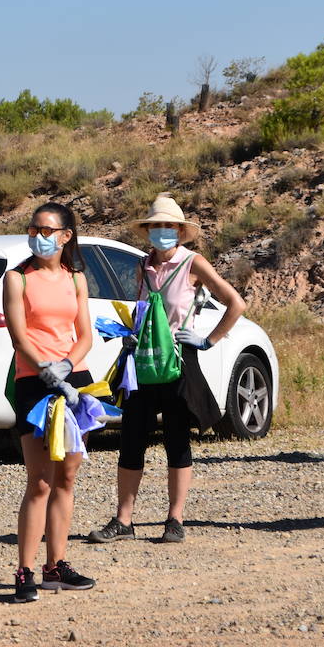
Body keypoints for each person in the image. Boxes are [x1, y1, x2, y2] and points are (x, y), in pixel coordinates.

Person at [88, 193, 245, 545]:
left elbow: (236, 303)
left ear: (179, 230)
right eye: (156, 226)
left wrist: (208, 340)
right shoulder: (142, 266)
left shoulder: (194, 263)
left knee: (177, 439)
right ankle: (123, 521)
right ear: (148, 231)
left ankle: (175, 519)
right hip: (144, 360)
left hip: (178, 358)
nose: (162, 231)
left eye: (169, 226)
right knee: (131, 439)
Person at [3, 202, 97, 603]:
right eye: (33, 228)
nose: (38, 235)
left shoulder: (76, 278)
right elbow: (18, 335)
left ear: (65, 236)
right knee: (39, 480)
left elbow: (85, 334)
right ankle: (25, 569)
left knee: (67, 477)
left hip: (72, 379)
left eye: (46, 229)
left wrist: (67, 365)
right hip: (34, 380)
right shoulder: (17, 278)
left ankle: (56, 566)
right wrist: (45, 368)